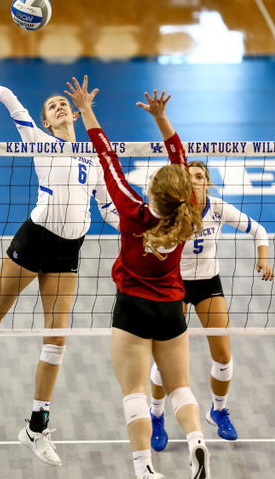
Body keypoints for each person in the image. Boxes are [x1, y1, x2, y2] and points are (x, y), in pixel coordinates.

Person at [0, 82, 119, 467]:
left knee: (56, 339)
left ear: (72, 114)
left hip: (69, 249)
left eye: (63, 104)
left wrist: (136, 228)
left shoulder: (94, 156)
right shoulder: (38, 140)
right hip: (34, 238)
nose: (58, 107)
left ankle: (36, 425)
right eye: (51, 105)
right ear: (45, 121)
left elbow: (108, 209)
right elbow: (9, 98)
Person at [65, 75, 210, 479]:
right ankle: (196, 440)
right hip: (170, 310)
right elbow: (181, 161)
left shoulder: (133, 213)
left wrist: (87, 109)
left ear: (152, 192)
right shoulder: (190, 212)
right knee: (180, 387)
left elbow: (107, 158)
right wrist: (163, 120)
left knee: (134, 393)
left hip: (132, 308)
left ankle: (144, 469)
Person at [149, 160, 274, 451]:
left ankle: (218, 410)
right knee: (164, 360)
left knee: (223, 356)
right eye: (189, 177)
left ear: (208, 183)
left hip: (208, 284)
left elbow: (259, 231)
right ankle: (156, 415)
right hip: (174, 286)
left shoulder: (218, 208)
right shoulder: (172, 209)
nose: (194, 181)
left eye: (199, 177)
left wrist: (263, 259)